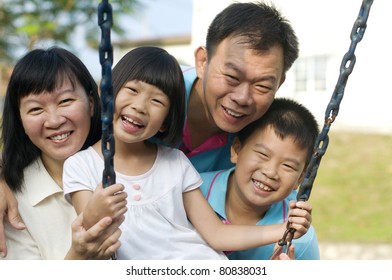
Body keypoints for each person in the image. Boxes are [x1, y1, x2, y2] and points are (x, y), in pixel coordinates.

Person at [62, 46, 312, 260]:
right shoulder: (81, 166)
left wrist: (285, 229)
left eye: (156, 102)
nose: (139, 106)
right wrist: (97, 210)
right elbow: (93, 234)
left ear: (164, 122)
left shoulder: (175, 161)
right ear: (107, 95)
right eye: (133, 90)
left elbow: (216, 234)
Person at [0, 47, 124, 259]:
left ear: (92, 103)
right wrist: (78, 255)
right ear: (20, 120)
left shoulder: (135, 166)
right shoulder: (13, 203)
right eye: (36, 109)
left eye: (66, 101)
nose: (55, 120)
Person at [181, 1, 299, 173]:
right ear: (203, 62)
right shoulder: (145, 90)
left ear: (278, 84)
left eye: (262, 86)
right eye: (232, 77)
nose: (242, 97)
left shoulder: (260, 139)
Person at [200, 98, 320, 260]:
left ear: (300, 179)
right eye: (263, 155)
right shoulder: (194, 191)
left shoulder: (299, 239)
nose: (270, 172)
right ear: (237, 150)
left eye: (288, 166)